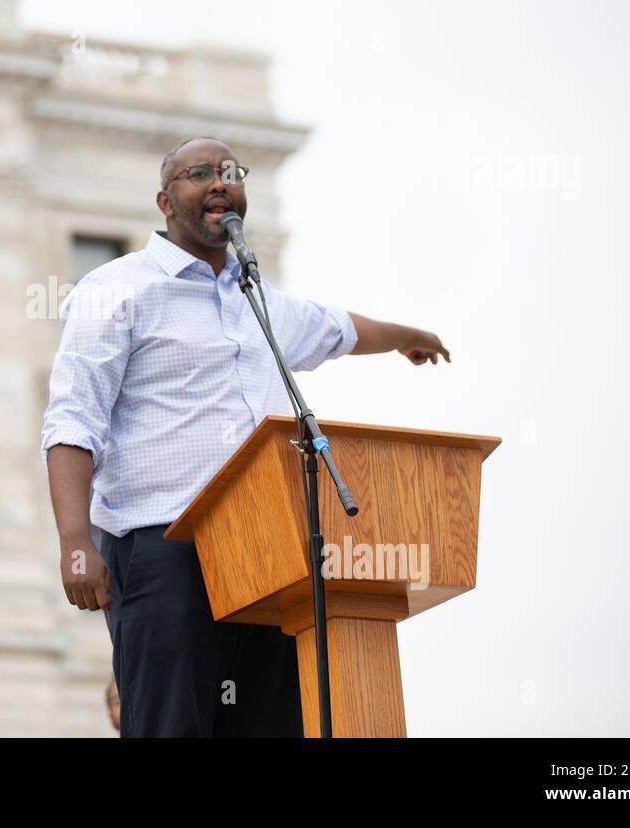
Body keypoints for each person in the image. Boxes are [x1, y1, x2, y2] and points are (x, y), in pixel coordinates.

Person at [41, 137, 450, 738]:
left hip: (264, 553)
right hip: (163, 549)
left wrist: (408, 334)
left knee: (271, 725)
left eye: (230, 172)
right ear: (164, 200)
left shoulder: (257, 298)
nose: (218, 183)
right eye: (197, 173)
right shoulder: (114, 289)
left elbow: (340, 328)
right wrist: (76, 540)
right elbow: (72, 420)